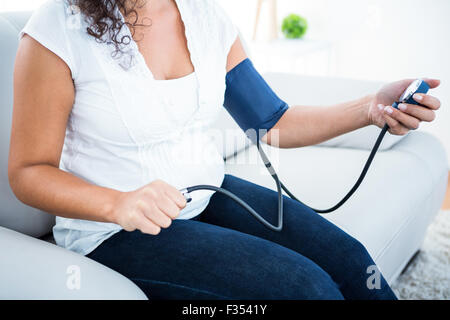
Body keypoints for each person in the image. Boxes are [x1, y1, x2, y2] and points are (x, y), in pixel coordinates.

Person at [9, 0, 440, 299]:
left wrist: (369, 108)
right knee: (305, 289)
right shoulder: (58, 29)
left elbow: (272, 121)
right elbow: (29, 170)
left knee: (350, 260)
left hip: (206, 193)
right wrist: (117, 203)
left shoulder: (203, 14)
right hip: (116, 230)